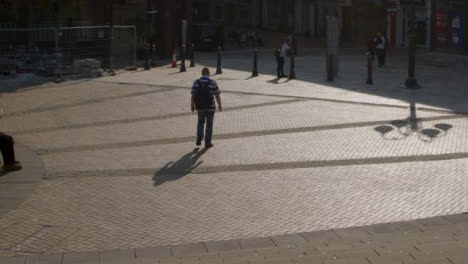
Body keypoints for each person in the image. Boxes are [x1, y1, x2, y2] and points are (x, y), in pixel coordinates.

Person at [191, 67, 222, 149]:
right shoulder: (213, 82)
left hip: (200, 107)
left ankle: (199, 137)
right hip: (210, 107)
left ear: (202, 73)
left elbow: (193, 94)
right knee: (209, 125)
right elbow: (217, 95)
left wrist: (192, 105)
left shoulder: (196, 82)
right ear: (208, 73)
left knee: (200, 122)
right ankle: (208, 143)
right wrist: (219, 105)